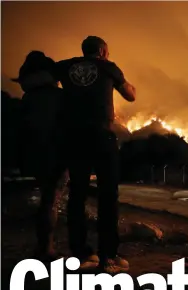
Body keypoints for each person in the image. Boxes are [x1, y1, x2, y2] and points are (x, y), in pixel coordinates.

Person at [52, 36, 136, 273]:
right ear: (101, 51)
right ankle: (108, 256)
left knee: (77, 194)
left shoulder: (65, 66)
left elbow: (45, 77)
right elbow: (130, 95)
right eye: (107, 52)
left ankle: (81, 254)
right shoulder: (108, 67)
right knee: (108, 195)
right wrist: (130, 86)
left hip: (73, 138)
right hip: (101, 137)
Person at [12, 51, 68, 261]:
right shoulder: (59, 97)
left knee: (47, 199)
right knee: (50, 201)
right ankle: (46, 249)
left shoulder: (28, 99)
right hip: (54, 154)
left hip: (32, 154)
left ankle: (43, 246)